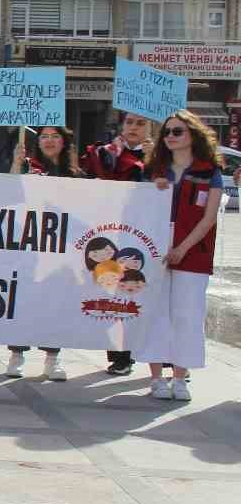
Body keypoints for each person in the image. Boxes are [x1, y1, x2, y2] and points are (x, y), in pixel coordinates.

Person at [142, 110, 222, 402]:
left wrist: (182, 249)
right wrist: (153, 188)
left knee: (187, 315)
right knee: (156, 312)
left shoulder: (209, 170)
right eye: (167, 132)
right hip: (154, 248)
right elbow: (136, 208)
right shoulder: (154, 169)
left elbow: (209, 217)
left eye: (177, 131)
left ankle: (179, 377)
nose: (171, 137)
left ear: (193, 135)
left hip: (193, 250)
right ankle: (155, 378)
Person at [6, 125, 83, 382]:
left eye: (55, 136)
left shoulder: (75, 174)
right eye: (44, 137)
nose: (49, 141)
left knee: (55, 303)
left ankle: (52, 357)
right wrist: (16, 166)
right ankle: (17, 354)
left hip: (59, 252)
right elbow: (9, 193)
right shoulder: (28, 166)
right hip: (28, 248)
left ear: (65, 141)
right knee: (23, 299)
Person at [83, 111, 152, 374]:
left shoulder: (160, 155)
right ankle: (121, 357)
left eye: (141, 123)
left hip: (149, 233)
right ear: (122, 125)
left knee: (149, 293)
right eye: (130, 122)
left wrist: (152, 159)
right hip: (115, 232)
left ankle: (166, 359)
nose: (134, 127)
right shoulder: (104, 153)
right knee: (117, 292)